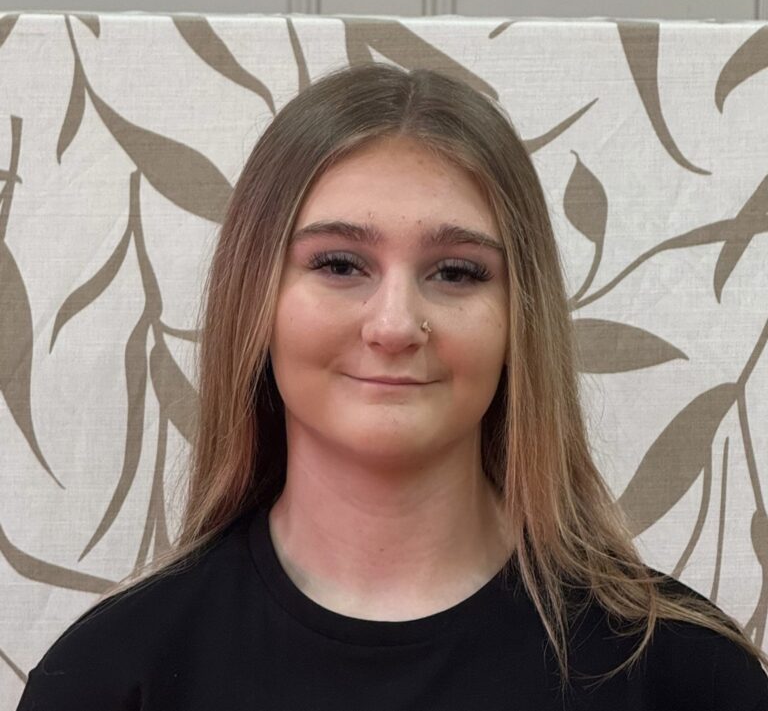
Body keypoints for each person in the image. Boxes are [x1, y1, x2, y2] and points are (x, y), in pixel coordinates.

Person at [16, 62, 768, 710]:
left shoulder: (689, 676)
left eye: (456, 272)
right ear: (255, 300)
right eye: (340, 264)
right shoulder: (108, 677)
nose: (395, 324)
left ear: (521, 317)